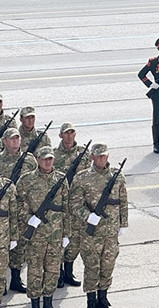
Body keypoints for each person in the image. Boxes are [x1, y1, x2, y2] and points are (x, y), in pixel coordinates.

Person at [70, 143, 127, 308]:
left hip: (111, 231)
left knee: (108, 264)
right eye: (99, 156)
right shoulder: (82, 177)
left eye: (104, 156)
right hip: (91, 233)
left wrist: (123, 224)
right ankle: (91, 299)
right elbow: (74, 205)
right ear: (92, 157)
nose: (102, 159)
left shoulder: (117, 176)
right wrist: (88, 217)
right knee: (92, 266)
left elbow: (123, 201)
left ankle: (103, 296)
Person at [17, 146, 70, 308]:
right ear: (38, 160)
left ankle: (48, 302)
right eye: (44, 158)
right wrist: (29, 218)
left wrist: (66, 233)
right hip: (35, 237)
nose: (48, 162)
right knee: (34, 272)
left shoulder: (60, 180)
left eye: (50, 159)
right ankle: (35, 303)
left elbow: (66, 208)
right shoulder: (27, 180)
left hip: (55, 236)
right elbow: (18, 204)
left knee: (53, 271)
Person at [0, 128, 36, 293]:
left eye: (17, 138)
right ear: (4, 141)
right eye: (11, 139)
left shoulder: (29, 160)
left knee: (20, 245)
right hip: (4, 210)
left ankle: (15, 278)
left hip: (23, 209)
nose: (15, 141)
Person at [53, 124, 89, 289]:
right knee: (61, 241)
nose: (69, 136)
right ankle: (59, 274)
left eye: (72, 133)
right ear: (60, 136)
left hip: (78, 204)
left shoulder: (84, 154)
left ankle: (68, 272)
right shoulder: (54, 155)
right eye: (66, 133)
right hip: (61, 206)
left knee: (75, 241)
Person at [0, 163, 19, 297]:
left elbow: (13, 215)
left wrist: (14, 237)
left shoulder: (8, 186)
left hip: (3, 240)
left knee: (1, 275)